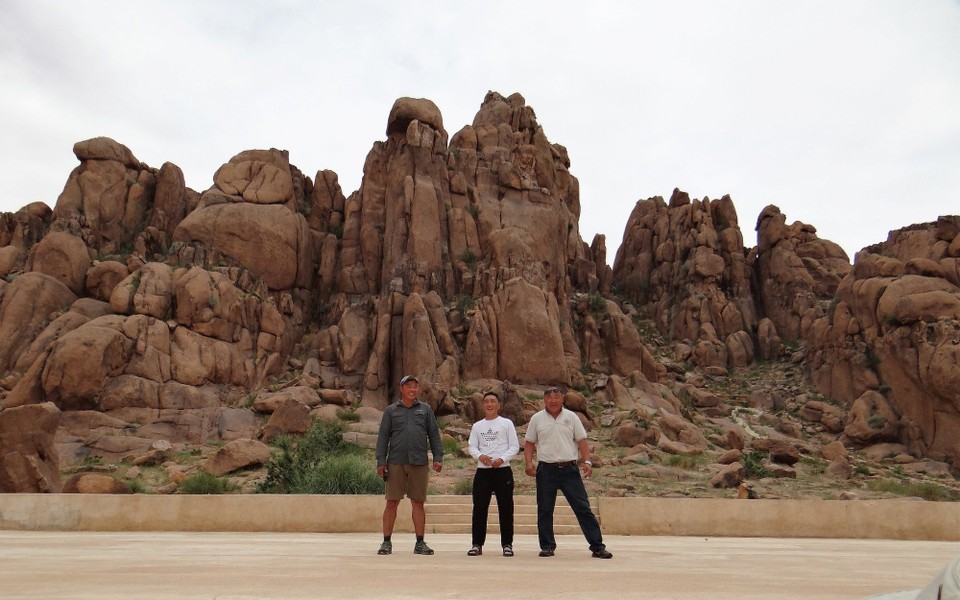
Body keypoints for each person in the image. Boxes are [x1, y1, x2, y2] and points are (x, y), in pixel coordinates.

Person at [523, 386, 612, 559]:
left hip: (569, 470)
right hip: (546, 470)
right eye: (549, 397)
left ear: (562, 399)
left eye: (557, 397)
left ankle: (597, 546)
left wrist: (587, 461)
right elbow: (529, 443)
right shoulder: (537, 419)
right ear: (544, 400)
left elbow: (582, 441)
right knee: (545, 510)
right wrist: (528, 463)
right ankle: (547, 546)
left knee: (583, 508)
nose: (553, 401)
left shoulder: (571, 417)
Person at [375, 375, 443, 556]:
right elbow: (383, 437)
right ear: (401, 389)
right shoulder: (391, 411)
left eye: (415, 387)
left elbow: (434, 435)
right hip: (395, 462)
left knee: (418, 503)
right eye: (409, 386)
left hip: (419, 462)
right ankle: (386, 542)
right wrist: (381, 461)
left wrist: (438, 457)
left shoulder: (425, 410)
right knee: (392, 502)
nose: (413, 390)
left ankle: (420, 543)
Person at [466, 392, 519, 557]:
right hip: (483, 471)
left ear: (498, 405)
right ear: (483, 406)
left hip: (502, 470)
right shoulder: (477, 426)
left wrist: (502, 459)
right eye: (486, 402)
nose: (489, 404)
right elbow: (472, 446)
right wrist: (480, 456)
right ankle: (477, 544)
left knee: (506, 508)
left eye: (493, 402)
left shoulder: (506, 423)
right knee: (480, 508)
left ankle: (507, 544)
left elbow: (514, 446)